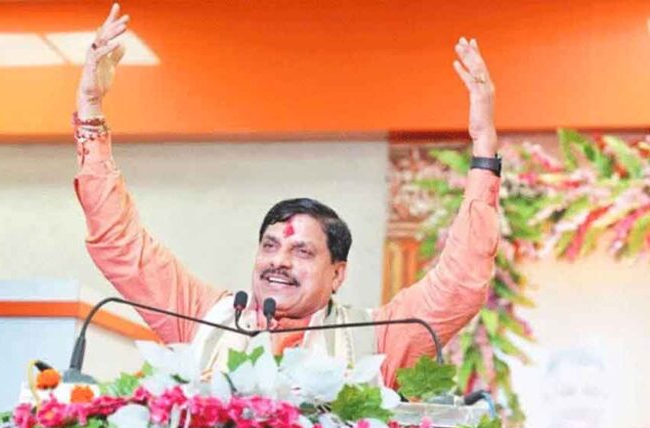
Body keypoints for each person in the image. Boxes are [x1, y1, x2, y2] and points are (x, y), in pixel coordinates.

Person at [73, 3, 500, 386]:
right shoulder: (204, 318)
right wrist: (91, 108)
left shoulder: (378, 339)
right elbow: (120, 245)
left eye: (302, 251)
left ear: (338, 274)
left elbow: (460, 285)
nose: (279, 260)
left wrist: (484, 148)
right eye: (270, 245)